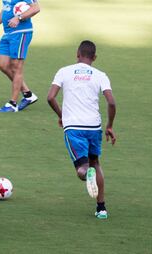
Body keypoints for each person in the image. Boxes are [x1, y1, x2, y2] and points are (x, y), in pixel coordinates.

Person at [47, 40, 116, 219]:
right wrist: (109, 126)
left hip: (74, 127)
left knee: (82, 169)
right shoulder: (101, 75)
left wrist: (61, 115)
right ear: (94, 57)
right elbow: (111, 102)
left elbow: (50, 97)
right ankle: (101, 208)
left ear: (77, 54)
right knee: (96, 162)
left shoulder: (64, 71)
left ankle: (88, 175)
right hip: (94, 126)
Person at [0, 0, 40, 112]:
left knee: (16, 66)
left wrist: (18, 17)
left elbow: (36, 8)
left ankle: (12, 104)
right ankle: (28, 94)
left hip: (21, 32)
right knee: (3, 65)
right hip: (8, 33)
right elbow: (5, 8)